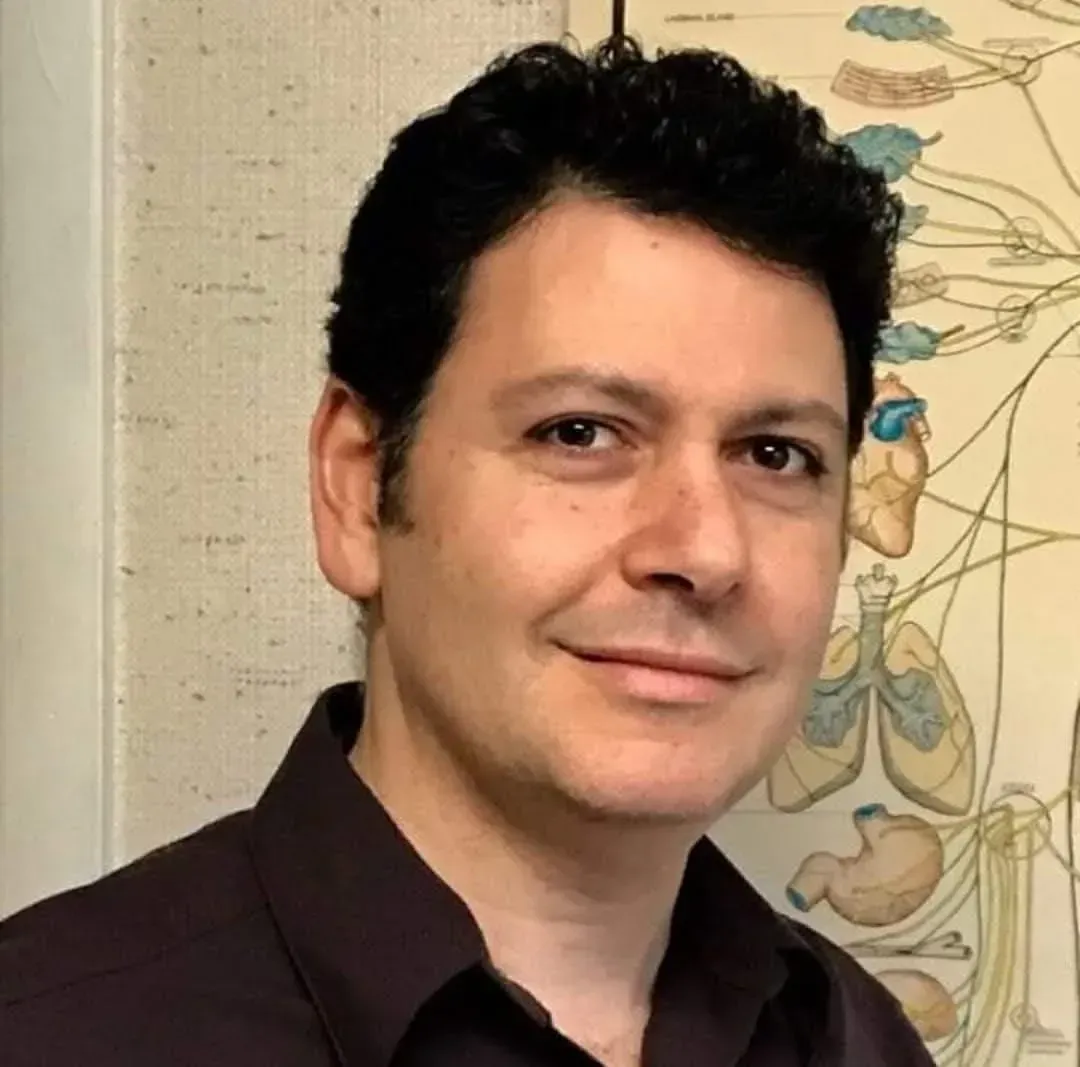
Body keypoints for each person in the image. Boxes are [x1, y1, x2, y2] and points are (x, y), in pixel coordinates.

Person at [0, 34, 934, 1067]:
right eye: (580, 431)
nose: (704, 548)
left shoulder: (858, 1040)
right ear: (358, 485)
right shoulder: (51, 1029)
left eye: (776, 452)